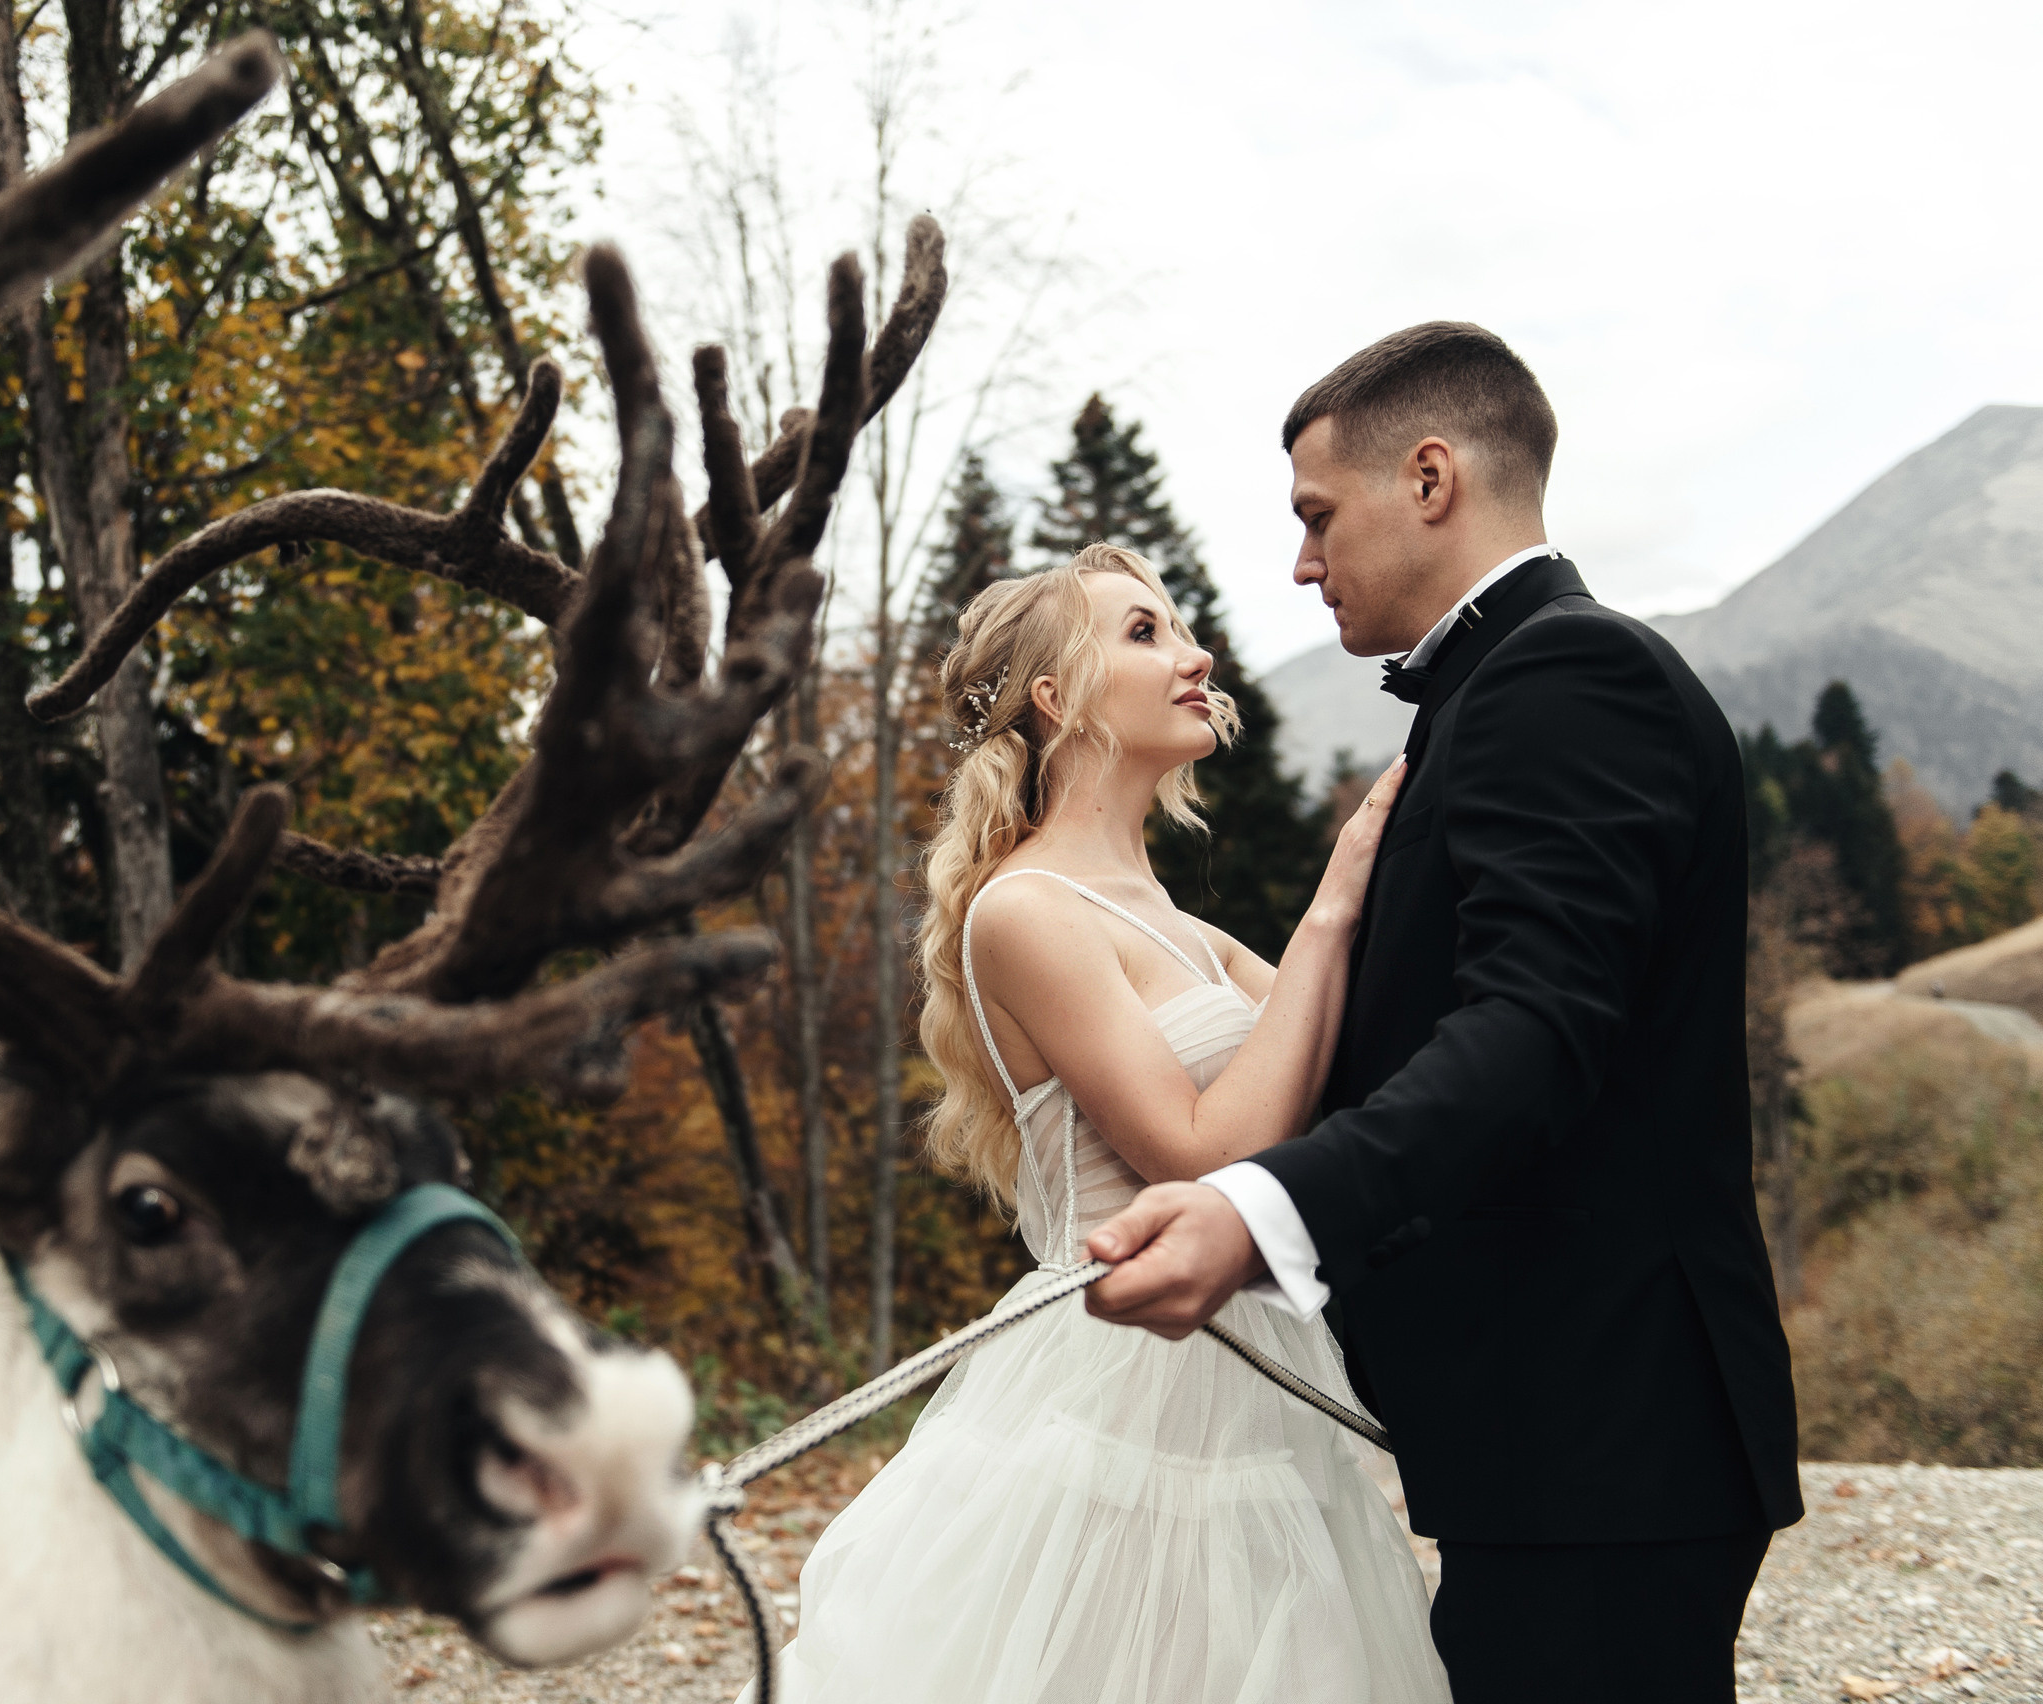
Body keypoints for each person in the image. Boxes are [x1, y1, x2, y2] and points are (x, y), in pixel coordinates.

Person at [1084, 323, 1802, 1703]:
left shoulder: (1568, 675)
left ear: (1429, 478)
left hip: (1607, 1429)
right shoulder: (1496, 693)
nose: (1300, 565)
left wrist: (1257, 1212)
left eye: (1314, 517)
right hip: (1557, 1435)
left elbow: (1532, 1034)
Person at [742, 541, 1449, 1704]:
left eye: (1176, 628)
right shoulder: (1027, 910)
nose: (1194, 654)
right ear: (1054, 699)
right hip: (1126, 1381)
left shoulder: (1168, 919)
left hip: (1254, 1372)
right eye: (1143, 633)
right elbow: (1205, 1155)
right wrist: (1334, 901)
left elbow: (1359, 1079)